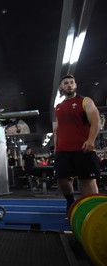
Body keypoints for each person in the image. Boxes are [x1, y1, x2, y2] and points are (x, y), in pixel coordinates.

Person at [54, 74, 100, 214]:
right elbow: (58, 128)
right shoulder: (58, 106)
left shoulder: (85, 101)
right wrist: (56, 147)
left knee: (87, 180)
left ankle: (94, 209)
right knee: (61, 178)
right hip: (63, 150)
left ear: (75, 85)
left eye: (71, 82)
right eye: (66, 83)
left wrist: (91, 140)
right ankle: (70, 202)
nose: (69, 85)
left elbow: (96, 121)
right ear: (61, 87)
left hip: (83, 148)